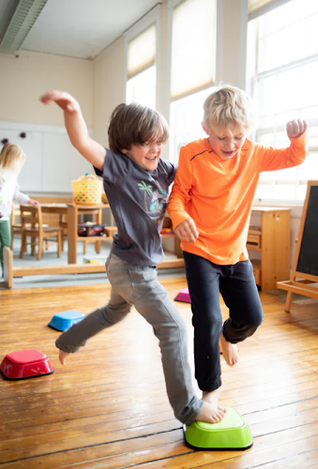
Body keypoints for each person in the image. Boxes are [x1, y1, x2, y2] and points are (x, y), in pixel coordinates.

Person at [40, 90, 227, 426]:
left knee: (113, 312)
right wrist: (73, 108)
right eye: (147, 143)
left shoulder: (162, 168)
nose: (156, 150)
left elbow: (192, 164)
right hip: (133, 270)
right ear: (126, 147)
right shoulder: (120, 168)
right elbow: (83, 141)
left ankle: (68, 341)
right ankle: (187, 407)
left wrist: (222, 141)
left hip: (125, 263)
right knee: (173, 328)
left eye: (159, 142)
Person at [167, 83, 308, 418]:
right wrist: (180, 217)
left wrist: (296, 138)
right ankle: (210, 391)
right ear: (206, 130)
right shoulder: (191, 153)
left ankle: (227, 336)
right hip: (199, 249)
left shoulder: (253, 153)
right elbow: (177, 196)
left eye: (238, 137)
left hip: (234, 251)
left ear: (247, 132)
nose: (230, 145)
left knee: (252, 317)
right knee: (207, 318)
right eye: (221, 138)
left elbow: (294, 157)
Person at [0, 143, 39, 275]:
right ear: (8, 159)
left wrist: (29, 200)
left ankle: (6, 271)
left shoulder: (12, 178)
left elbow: (15, 194)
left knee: (6, 244)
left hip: (4, 217)